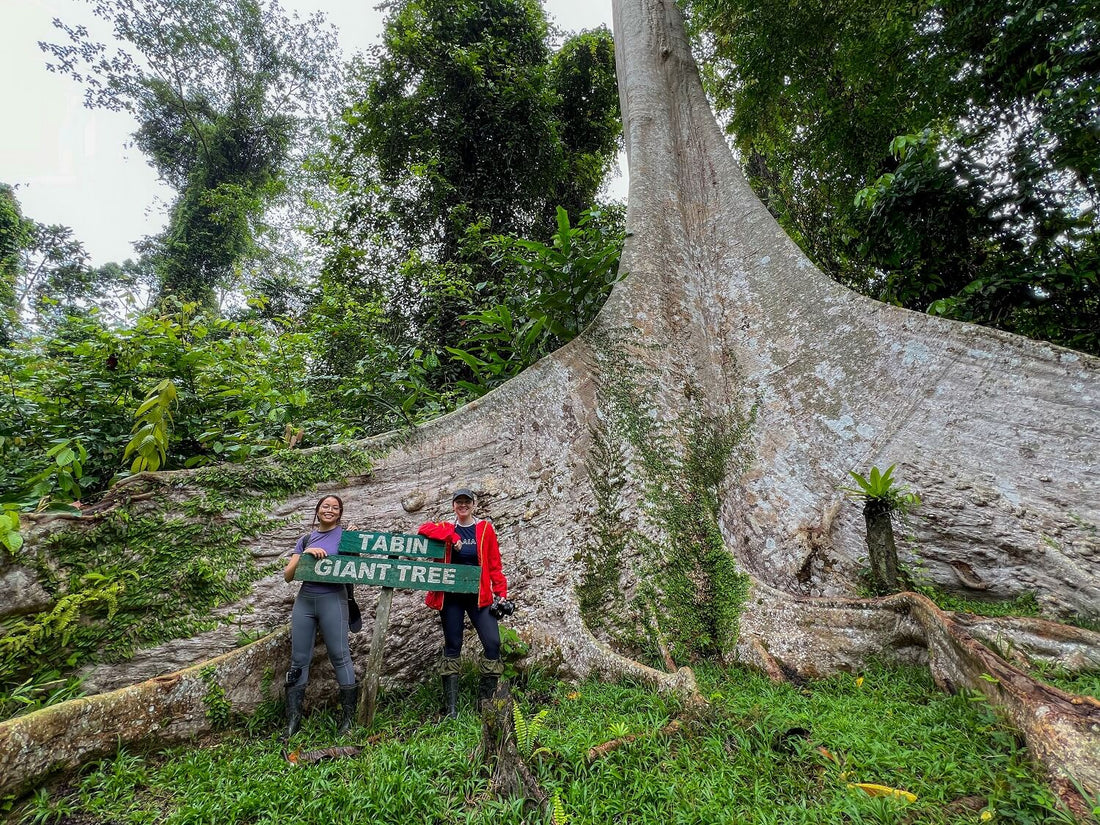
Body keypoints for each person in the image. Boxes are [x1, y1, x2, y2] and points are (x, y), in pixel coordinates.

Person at [419, 489, 508, 718]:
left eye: (467, 502)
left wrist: (501, 592)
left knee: (492, 643)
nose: (463, 506)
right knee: (453, 645)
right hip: (451, 598)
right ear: (453, 506)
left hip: (479, 598)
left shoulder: (485, 529)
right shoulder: (447, 527)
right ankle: (451, 709)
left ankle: (485, 703)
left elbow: (494, 563)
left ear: (474, 505)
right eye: (459, 502)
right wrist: (453, 538)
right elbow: (423, 529)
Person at [282, 494, 358, 737]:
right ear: (317, 510)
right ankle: (293, 723)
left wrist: (354, 541)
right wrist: (306, 554)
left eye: (335, 508)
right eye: (326, 506)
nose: (330, 510)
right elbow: (288, 575)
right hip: (305, 601)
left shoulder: (346, 536)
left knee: (340, 656)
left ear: (340, 514)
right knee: (298, 659)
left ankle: (347, 722)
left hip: (333, 600)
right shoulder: (305, 539)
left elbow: (354, 568)